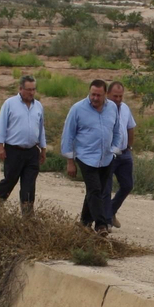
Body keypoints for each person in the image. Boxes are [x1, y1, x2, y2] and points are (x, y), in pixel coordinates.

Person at [63, 79, 126, 234]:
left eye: (99, 95)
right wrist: (70, 161)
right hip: (85, 157)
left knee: (96, 191)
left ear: (105, 94)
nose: (95, 98)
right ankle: (101, 224)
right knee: (95, 190)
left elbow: (117, 131)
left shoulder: (112, 108)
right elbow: (68, 136)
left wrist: (115, 150)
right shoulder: (77, 109)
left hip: (106, 158)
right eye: (93, 94)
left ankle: (84, 223)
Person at [80, 80, 136, 229]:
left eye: (120, 96)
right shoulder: (100, 109)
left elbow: (130, 127)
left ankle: (110, 212)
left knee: (128, 185)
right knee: (103, 189)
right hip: (107, 155)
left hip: (124, 154)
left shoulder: (125, 108)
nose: (118, 99)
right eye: (115, 96)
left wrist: (129, 146)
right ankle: (103, 222)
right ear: (107, 95)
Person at [0, 74, 47, 215]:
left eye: (34, 89)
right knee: (9, 181)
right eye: (28, 89)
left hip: (32, 152)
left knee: (29, 185)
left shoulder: (38, 106)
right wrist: (0, 147)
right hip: (13, 150)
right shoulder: (10, 104)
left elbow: (40, 128)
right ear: (20, 88)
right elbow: (1, 125)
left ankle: (28, 215)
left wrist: (43, 148)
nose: (31, 92)